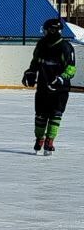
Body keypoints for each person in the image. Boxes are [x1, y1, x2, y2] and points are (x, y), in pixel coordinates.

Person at [22, 15, 76, 154]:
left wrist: (62, 78)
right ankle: (39, 138)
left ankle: (50, 140)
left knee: (56, 114)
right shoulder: (41, 45)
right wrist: (31, 72)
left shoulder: (65, 47)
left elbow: (71, 68)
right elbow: (35, 62)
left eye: (45, 30)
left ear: (52, 31)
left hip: (60, 89)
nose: (44, 33)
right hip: (43, 86)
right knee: (40, 114)